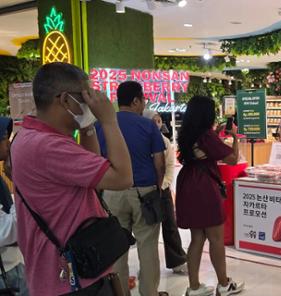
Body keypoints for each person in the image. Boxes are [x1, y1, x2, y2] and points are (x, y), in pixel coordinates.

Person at [11, 62, 133, 295]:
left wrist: (87, 127)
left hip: (60, 275)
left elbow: (91, 168)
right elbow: (122, 178)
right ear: (66, 100)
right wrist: (109, 121)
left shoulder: (29, 136)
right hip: (72, 282)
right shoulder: (48, 146)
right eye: (85, 97)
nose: (90, 103)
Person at [97, 81, 166, 296]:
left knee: (117, 250)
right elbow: (160, 162)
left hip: (112, 192)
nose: (143, 105)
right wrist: (157, 186)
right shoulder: (147, 126)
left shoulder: (102, 126)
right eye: (142, 100)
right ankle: (149, 293)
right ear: (136, 100)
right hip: (144, 192)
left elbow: (95, 160)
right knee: (147, 248)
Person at [176, 96, 244, 296]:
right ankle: (224, 284)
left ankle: (194, 286)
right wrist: (235, 138)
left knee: (197, 238)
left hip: (187, 183)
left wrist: (216, 133)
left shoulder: (186, 133)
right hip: (204, 186)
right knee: (216, 238)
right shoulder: (206, 135)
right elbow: (232, 160)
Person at [144, 110, 188, 274]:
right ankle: (147, 267)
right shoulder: (141, 140)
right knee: (148, 231)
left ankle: (177, 261)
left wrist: (164, 184)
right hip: (146, 191)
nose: (157, 124)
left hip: (163, 190)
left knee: (170, 225)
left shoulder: (164, 142)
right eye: (153, 121)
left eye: (159, 120)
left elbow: (169, 167)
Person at [0, 117, 28, 296]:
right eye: (4, 137)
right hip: (7, 273)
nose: (8, 142)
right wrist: (19, 182)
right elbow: (7, 230)